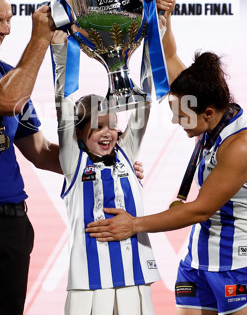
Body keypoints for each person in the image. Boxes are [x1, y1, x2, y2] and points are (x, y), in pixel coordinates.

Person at [0, 0, 144, 315]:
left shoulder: (7, 74)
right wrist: (40, 37)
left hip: (12, 224)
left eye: (9, 20)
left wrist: (105, 162)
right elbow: (7, 100)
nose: (5, 30)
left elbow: (40, 152)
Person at [86, 0, 247, 315]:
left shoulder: (243, 145)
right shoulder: (197, 101)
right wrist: (165, 17)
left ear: (207, 112)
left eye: (182, 115)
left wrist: (134, 225)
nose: (177, 119)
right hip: (196, 260)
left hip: (242, 260)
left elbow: (199, 211)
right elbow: (169, 55)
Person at [50, 23, 167, 315]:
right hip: (89, 282)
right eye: (98, 126)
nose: (108, 133)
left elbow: (145, 103)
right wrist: (60, 53)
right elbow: (63, 106)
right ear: (78, 133)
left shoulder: (127, 154)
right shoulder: (74, 163)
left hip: (135, 277)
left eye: (113, 126)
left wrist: (156, 40)